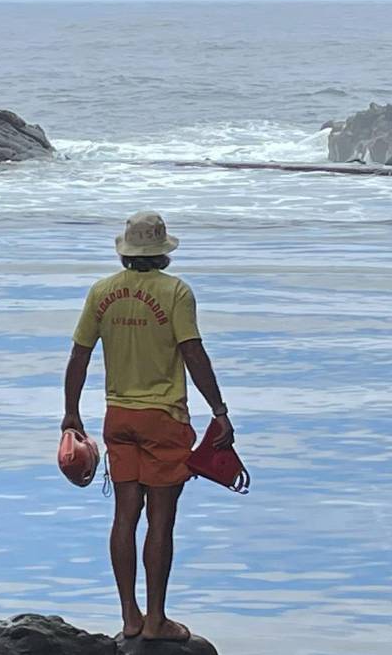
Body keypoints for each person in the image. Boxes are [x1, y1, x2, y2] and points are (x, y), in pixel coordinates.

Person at [61, 210, 235, 642]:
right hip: (164, 418)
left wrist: (71, 412)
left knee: (124, 516)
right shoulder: (175, 292)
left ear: (126, 251)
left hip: (118, 417)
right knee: (161, 522)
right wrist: (219, 409)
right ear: (162, 253)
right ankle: (156, 620)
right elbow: (193, 353)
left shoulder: (102, 292)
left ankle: (130, 618)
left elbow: (79, 355)